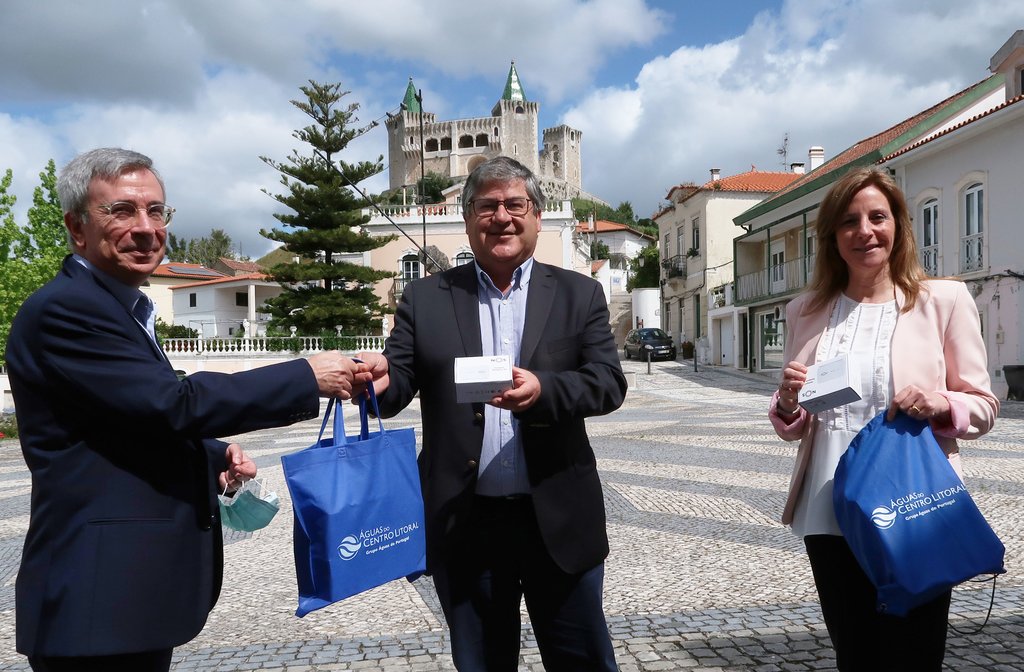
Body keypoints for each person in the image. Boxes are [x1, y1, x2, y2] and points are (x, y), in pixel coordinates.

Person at [6, 148, 370, 672]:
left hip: (123, 598)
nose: (146, 228)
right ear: (77, 227)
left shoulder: (117, 307)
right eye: (122, 211)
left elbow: (124, 422)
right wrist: (305, 376)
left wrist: (210, 454)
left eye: (157, 211)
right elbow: (172, 403)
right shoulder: (69, 308)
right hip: (97, 599)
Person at [358, 156, 626, 671]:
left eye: (514, 204)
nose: (501, 216)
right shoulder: (425, 298)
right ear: (467, 219)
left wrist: (545, 390)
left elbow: (608, 383)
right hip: (466, 524)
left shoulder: (579, 294)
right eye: (487, 205)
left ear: (537, 216)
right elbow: (398, 383)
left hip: (557, 518)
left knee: (583, 661)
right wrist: (376, 379)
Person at [768, 166, 998, 670]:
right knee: (855, 653)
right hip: (828, 510)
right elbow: (796, 418)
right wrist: (788, 404)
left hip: (913, 506)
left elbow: (983, 404)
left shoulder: (944, 301)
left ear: (898, 225)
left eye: (877, 216)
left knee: (914, 653)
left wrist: (942, 405)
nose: (864, 231)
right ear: (832, 236)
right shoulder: (806, 309)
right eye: (849, 221)